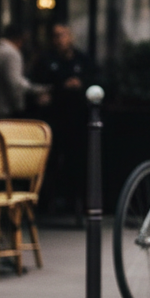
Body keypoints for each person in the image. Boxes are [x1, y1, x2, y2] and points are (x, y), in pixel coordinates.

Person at [32, 24, 96, 217]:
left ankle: (76, 204)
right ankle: (44, 206)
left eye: (63, 35)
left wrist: (81, 84)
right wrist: (58, 87)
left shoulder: (82, 59)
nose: (59, 39)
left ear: (70, 36)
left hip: (77, 119)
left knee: (77, 162)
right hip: (53, 118)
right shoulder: (45, 60)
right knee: (49, 162)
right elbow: (37, 86)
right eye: (55, 36)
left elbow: (97, 80)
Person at [0, 25, 39, 118]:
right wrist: (20, 108)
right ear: (20, 38)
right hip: (2, 111)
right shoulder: (11, 53)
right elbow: (15, 84)